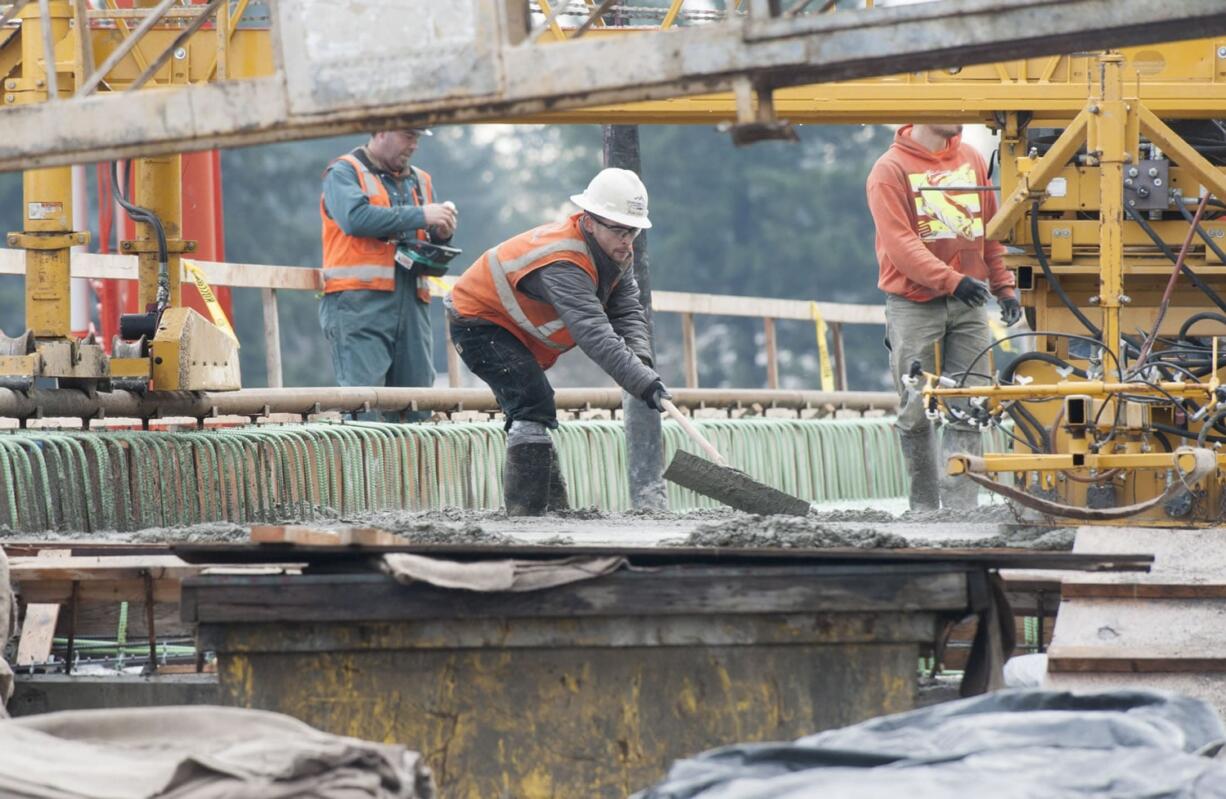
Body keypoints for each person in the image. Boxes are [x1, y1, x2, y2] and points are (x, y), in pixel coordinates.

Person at [446, 168, 670, 516]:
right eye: (619, 230)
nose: (627, 241)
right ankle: (527, 513)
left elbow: (626, 312)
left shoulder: (614, 255)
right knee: (532, 403)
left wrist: (643, 364)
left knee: (535, 403)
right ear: (590, 221)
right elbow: (594, 331)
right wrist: (642, 383)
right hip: (478, 322)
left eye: (633, 231)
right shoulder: (564, 261)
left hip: (510, 330)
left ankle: (550, 507)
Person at [866, 123, 1021, 510]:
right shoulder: (890, 170)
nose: (959, 114)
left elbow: (990, 231)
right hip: (915, 303)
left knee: (970, 400)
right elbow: (901, 245)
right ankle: (923, 508)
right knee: (917, 405)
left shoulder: (970, 158)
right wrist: (951, 280)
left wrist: (1004, 286)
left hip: (968, 302)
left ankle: (961, 507)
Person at [319, 128, 458, 421]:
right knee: (363, 409)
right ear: (382, 131)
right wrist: (422, 215)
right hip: (358, 305)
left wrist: (441, 234)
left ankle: (411, 469)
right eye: (409, 136)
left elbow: (424, 236)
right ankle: (366, 469)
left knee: (417, 407)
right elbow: (355, 219)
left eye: (418, 138)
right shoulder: (344, 172)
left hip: (412, 305)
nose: (414, 145)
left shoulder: (422, 180)